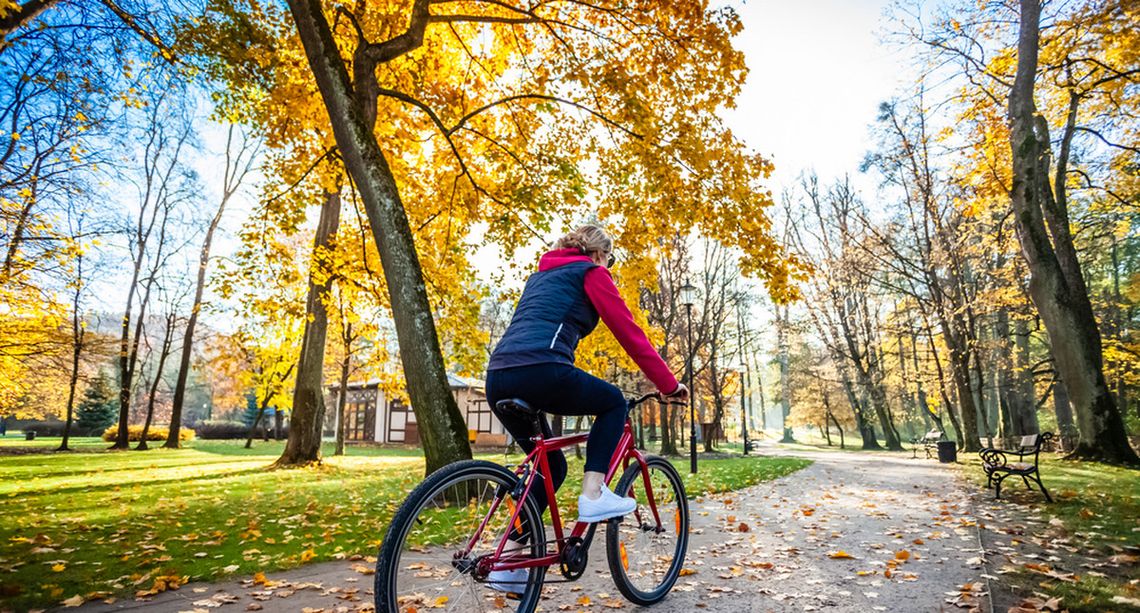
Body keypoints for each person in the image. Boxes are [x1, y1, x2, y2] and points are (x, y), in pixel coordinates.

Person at [484, 224, 689, 590]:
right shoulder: (592, 272)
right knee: (612, 402)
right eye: (610, 258)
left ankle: (508, 560)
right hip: (540, 369)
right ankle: (593, 494)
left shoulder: (539, 278)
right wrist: (668, 385)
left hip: (498, 375)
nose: (609, 265)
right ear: (599, 254)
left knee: (551, 469)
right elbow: (630, 334)